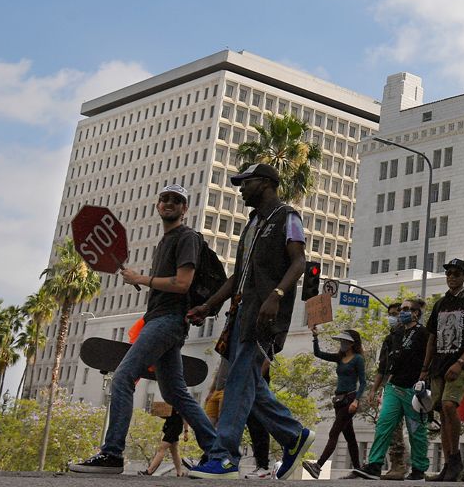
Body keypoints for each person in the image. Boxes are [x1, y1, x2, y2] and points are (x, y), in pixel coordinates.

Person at [70, 184, 219, 475]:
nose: (169, 204)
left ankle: (112, 454)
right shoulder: (165, 241)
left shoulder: (186, 237)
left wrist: (143, 277)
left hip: (168, 321)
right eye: (165, 199)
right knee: (176, 393)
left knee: (123, 378)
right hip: (161, 320)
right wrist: (140, 279)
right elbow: (168, 283)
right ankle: (217, 451)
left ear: (184, 208)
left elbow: (182, 283)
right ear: (157, 205)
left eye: (177, 201)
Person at [185, 163, 315, 479]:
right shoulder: (252, 224)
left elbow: (300, 261)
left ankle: (225, 456)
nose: (241, 188)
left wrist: (277, 295)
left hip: (266, 313)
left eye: (246, 182)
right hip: (242, 313)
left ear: (266, 183)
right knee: (250, 385)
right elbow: (237, 276)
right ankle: (293, 435)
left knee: (239, 381)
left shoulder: (288, 217)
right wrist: (209, 304)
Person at [420, 258, 464, 482]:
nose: (452, 276)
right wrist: (424, 368)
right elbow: (432, 337)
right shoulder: (440, 304)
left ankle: (456, 458)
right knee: (442, 411)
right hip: (438, 366)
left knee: (450, 406)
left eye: (456, 273)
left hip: (461, 365)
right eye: (449, 273)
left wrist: (460, 362)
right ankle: (449, 464)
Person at [354, 299, 430, 480]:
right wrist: (374, 389)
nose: (400, 313)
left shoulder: (424, 333)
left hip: (414, 390)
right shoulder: (393, 335)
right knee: (383, 425)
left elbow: (430, 358)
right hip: (393, 388)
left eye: (405, 309)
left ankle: (419, 469)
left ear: (416, 313)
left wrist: (425, 379)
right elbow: (384, 366)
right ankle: (374, 465)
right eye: (399, 310)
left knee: (416, 431)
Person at [302, 329, 367, 478]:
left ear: (352, 343)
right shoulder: (339, 358)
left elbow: (363, 382)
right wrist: (315, 336)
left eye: (345, 341)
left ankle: (318, 466)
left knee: (333, 432)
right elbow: (318, 353)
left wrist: (356, 400)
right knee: (350, 436)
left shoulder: (358, 359)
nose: (342, 344)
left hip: (350, 400)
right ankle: (357, 469)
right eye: (341, 341)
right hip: (339, 400)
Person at [140, 409, 188, 477]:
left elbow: (185, 416)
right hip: (169, 426)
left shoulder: (180, 401)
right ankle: (180, 473)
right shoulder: (171, 402)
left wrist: (186, 431)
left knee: (161, 448)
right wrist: (159, 412)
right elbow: (167, 415)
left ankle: (149, 471)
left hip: (175, 427)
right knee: (174, 451)